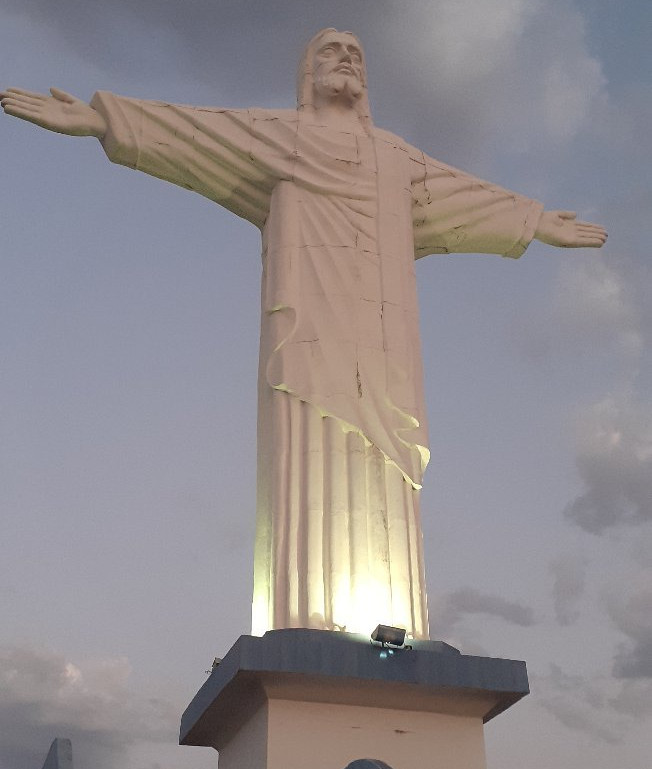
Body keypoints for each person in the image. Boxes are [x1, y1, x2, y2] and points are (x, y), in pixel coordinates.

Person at [1, 29, 606, 640]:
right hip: (309, 330)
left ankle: (393, 635)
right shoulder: (280, 138)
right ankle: (303, 629)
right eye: (330, 51)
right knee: (309, 451)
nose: (345, 59)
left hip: (384, 345)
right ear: (307, 74)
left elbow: (464, 195)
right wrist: (106, 120)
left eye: (356, 53)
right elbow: (197, 132)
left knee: (387, 471)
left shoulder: (395, 159)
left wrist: (533, 220)